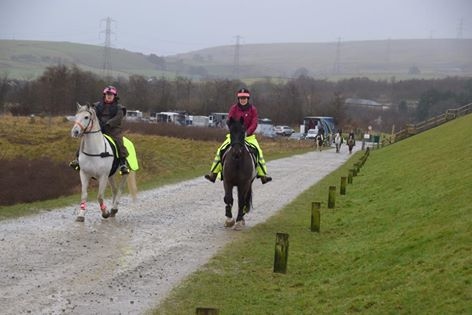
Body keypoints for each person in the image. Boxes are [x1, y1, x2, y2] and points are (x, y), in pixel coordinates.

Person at [204, 88, 272, 184]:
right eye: (241, 98)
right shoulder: (234, 108)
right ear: (238, 99)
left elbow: (254, 123)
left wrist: (247, 132)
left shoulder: (253, 110)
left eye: (244, 98)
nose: (242, 100)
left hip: (249, 137)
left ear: (248, 99)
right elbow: (229, 120)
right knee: (221, 149)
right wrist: (234, 130)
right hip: (235, 136)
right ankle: (213, 174)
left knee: (258, 151)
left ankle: (263, 175)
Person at [69, 85, 129, 174]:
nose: (109, 96)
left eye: (111, 95)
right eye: (107, 94)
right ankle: (77, 160)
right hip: (99, 128)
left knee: (119, 142)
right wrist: (98, 124)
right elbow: (92, 115)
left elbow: (118, 118)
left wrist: (108, 124)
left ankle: (123, 164)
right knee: (85, 139)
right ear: (104, 95)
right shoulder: (97, 106)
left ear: (114, 96)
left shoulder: (119, 108)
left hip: (113, 130)